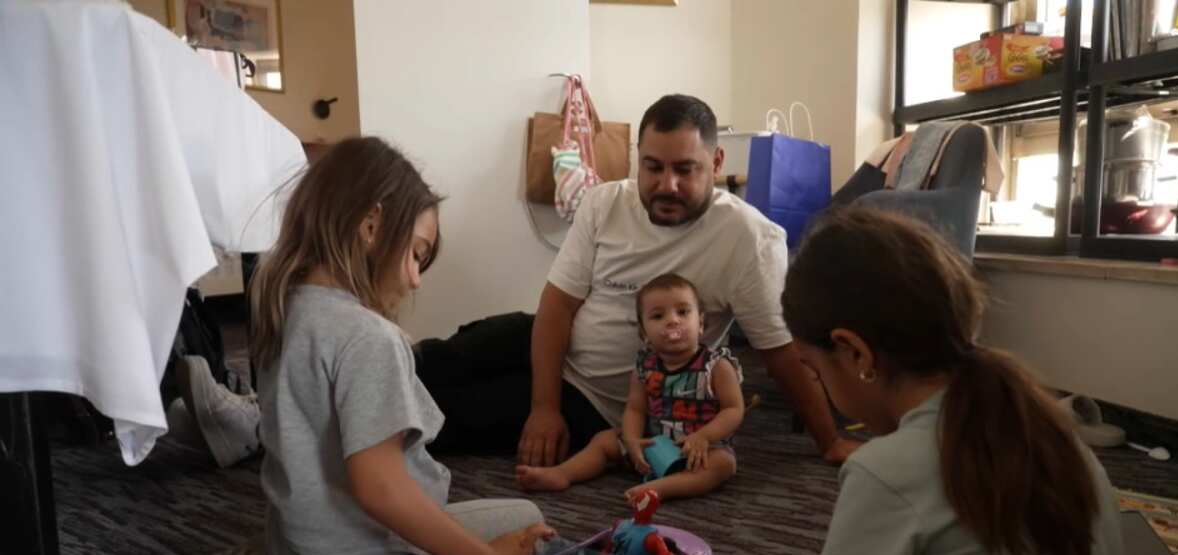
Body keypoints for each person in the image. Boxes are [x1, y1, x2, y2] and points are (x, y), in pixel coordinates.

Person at [306, 206, 1149, 555]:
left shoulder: (886, 474)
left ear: (852, 354)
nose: (812, 380)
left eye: (814, 366)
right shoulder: (1049, 430)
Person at [174, 94, 858, 470]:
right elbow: (557, 307)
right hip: (548, 344)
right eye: (653, 167)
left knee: (438, 419)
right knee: (431, 360)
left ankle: (263, 434)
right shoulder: (606, 202)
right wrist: (542, 404)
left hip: (604, 398)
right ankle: (258, 414)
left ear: (715, 163)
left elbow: (778, 352)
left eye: (685, 170)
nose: (667, 184)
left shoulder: (745, 240)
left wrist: (829, 441)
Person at [156, 137, 554, 555]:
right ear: (371, 227)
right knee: (526, 521)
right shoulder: (370, 339)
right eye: (415, 254)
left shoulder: (283, 307)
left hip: (293, 541)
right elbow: (381, 490)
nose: (416, 280)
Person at [516, 273, 744, 501]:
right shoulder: (644, 367)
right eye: (658, 316)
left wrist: (703, 437)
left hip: (699, 448)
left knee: (724, 464)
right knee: (604, 440)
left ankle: (660, 489)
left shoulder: (716, 366)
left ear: (701, 323)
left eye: (683, 312)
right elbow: (635, 409)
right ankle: (562, 473)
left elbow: (733, 409)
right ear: (644, 334)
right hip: (653, 442)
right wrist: (633, 440)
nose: (673, 321)